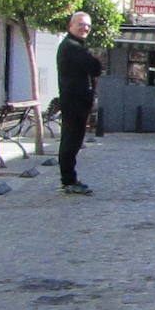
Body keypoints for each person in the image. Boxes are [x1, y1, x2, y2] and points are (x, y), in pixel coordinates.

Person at [56, 11, 102, 195]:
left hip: (77, 101)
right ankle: (68, 180)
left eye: (88, 26)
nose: (85, 28)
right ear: (71, 25)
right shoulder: (72, 46)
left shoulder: (75, 45)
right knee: (71, 140)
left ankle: (69, 179)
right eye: (81, 24)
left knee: (73, 140)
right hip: (74, 101)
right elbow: (96, 67)